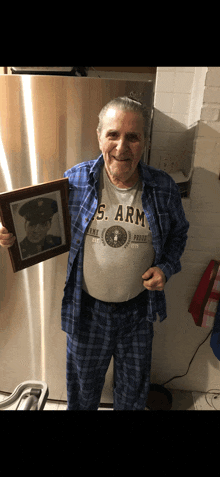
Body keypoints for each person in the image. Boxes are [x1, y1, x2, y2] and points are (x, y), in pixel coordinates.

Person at [0, 96, 189, 410]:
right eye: (113, 134)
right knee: (82, 396)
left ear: (145, 141)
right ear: (99, 136)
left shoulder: (163, 188)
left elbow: (179, 234)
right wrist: (11, 234)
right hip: (86, 311)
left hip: (138, 313)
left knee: (132, 398)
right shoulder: (75, 180)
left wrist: (166, 268)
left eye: (133, 136)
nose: (121, 146)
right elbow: (38, 221)